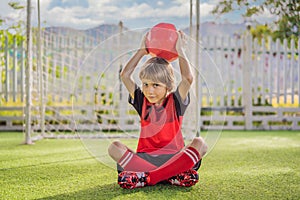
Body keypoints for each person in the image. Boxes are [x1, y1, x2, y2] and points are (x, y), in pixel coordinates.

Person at [108, 30, 207, 189]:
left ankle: (149, 178)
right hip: (145, 160)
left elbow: (188, 78)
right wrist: (142, 51)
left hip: (173, 158)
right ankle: (172, 175)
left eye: (156, 85)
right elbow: (125, 75)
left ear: (168, 86)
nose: (149, 90)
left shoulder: (175, 101)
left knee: (200, 143)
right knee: (114, 147)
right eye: (145, 84)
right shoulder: (142, 101)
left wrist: (180, 51)